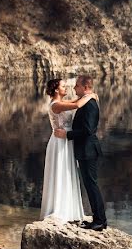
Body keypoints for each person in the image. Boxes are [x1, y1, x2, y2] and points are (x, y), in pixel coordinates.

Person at [55, 75, 107, 231]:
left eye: (77, 85)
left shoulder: (90, 105)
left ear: (85, 87)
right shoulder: (86, 101)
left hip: (88, 150)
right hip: (85, 150)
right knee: (90, 185)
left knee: (92, 185)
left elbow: (88, 131)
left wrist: (67, 135)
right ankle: (98, 219)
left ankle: (100, 221)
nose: (74, 88)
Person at [40, 78, 96, 222]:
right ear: (57, 90)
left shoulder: (61, 103)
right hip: (60, 142)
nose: (67, 88)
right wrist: (90, 95)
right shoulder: (56, 105)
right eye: (63, 86)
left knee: (68, 172)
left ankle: (70, 209)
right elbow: (77, 105)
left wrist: (86, 96)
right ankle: (58, 209)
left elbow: (74, 102)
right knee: (60, 172)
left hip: (67, 141)